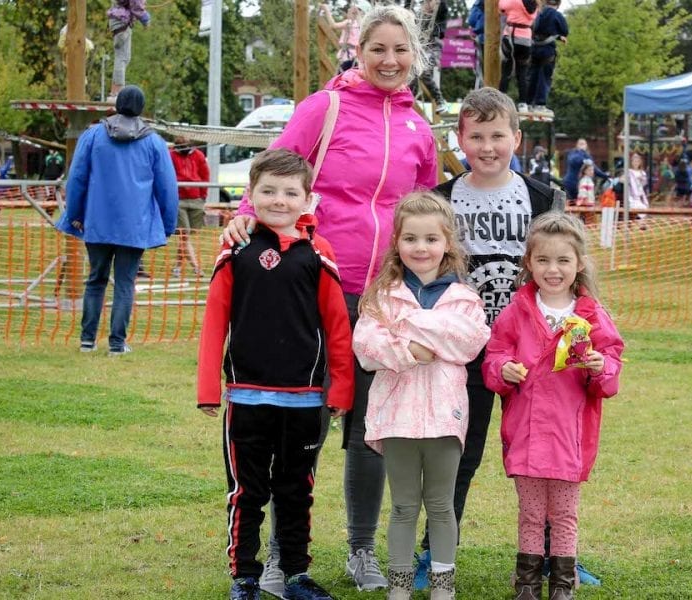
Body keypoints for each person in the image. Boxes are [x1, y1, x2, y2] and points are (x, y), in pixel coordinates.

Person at [221, 5, 437, 593]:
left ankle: (361, 550)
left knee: (371, 429)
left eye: (401, 50)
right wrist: (243, 219)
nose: (390, 61)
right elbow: (276, 171)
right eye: (379, 49)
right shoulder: (326, 107)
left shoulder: (420, 126)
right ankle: (277, 558)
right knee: (299, 427)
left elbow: (425, 215)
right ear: (358, 52)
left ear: (413, 56)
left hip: (386, 299)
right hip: (315, 293)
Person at [413, 86, 569, 590]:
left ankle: (554, 556)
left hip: (533, 350)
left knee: (545, 457)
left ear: (516, 138)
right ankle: (433, 555)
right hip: (465, 351)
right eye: (475, 135)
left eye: (497, 135)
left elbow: (565, 264)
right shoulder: (441, 199)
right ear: (459, 138)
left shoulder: (543, 198)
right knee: (459, 454)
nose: (487, 146)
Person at [197, 149, 354, 600]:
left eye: (290, 192)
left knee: (295, 492)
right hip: (246, 397)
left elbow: (336, 326)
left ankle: (296, 575)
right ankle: (244, 577)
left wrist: (340, 387)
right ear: (251, 194)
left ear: (308, 200)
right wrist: (210, 387)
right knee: (246, 492)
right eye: (268, 190)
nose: (279, 200)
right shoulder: (236, 245)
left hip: (304, 400)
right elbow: (215, 319)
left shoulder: (319, 253)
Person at [352, 192, 490, 600]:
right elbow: (367, 347)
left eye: (431, 239)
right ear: (397, 242)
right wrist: (411, 350)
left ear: (447, 242)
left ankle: (443, 588)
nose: (421, 248)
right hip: (397, 416)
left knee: (442, 506)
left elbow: (468, 341)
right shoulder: (381, 295)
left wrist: (407, 324)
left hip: (445, 418)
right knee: (403, 507)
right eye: (411, 239)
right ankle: (399, 588)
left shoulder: (465, 298)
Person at [482, 212, 624, 600]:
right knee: (529, 514)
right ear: (529, 263)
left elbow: (611, 368)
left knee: (563, 515)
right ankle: (526, 583)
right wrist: (502, 369)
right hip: (526, 433)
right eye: (543, 260)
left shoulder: (592, 317)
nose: (553, 269)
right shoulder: (516, 312)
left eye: (563, 260)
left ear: (579, 264)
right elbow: (493, 356)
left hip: (569, 437)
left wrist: (600, 367)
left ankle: (563, 583)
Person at [56, 85, 178, 355]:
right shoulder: (154, 142)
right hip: (134, 226)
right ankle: (116, 344)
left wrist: (74, 214)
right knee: (125, 283)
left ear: (116, 105)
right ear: (142, 107)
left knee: (95, 279)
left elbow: (76, 178)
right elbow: (168, 188)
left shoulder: (92, 136)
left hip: (97, 222)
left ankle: (87, 341)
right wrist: (168, 225)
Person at [168, 136, 210, 278]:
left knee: (185, 237)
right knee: (184, 235)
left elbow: (205, 175)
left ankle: (177, 267)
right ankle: (196, 267)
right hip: (179, 199)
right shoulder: (170, 155)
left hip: (196, 199)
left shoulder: (198, 155)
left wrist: (203, 195)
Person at [525, 0, 568, 116]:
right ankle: (540, 104)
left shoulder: (539, 13)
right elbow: (565, 30)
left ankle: (528, 103)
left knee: (533, 76)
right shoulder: (556, 15)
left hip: (534, 48)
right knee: (545, 77)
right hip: (547, 50)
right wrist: (559, 34)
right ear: (558, 4)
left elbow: (535, 29)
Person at [498, 0, 539, 112]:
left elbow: (501, 7)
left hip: (511, 36)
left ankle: (500, 102)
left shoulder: (514, 1)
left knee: (506, 70)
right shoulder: (534, 4)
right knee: (522, 72)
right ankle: (523, 104)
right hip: (526, 38)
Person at [107, 0, 151, 99]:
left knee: (122, 58)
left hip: (118, 20)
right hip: (122, 22)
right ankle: (118, 93)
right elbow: (136, 5)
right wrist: (146, 19)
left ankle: (114, 92)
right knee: (122, 58)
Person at [412, 0, 449, 115]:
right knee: (412, 73)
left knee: (424, 71)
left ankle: (440, 100)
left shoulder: (439, 11)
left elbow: (440, 6)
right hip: (421, 46)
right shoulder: (420, 16)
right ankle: (410, 97)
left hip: (433, 45)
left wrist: (435, 3)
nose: (428, 5)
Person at [561, 138, 605, 205]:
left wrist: (605, 176)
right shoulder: (573, 153)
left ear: (586, 145)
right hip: (571, 184)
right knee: (571, 203)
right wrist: (581, 152)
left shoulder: (588, 156)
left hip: (582, 183)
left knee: (583, 202)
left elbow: (594, 169)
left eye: (584, 144)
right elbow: (573, 161)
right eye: (580, 144)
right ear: (577, 145)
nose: (582, 146)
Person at [321, 2, 363, 72]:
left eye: (351, 12)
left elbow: (333, 25)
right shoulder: (361, 25)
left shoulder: (349, 22)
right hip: (357, 56)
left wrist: (326, 10)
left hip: (347, 56)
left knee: (342, 77)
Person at [41, 149, 65, 216]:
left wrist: (60, 178)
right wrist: (39, 179)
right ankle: (48, 213)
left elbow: (63, 169)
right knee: (49, 195)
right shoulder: (47, 157)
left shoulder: (60, 158)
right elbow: (42, 168)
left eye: (51, 149)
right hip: (47, 180)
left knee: (56, 196)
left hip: (56, 181)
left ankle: (61, 213)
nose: (49, 150)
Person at [626, 152, 649, 216]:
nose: (636, 163)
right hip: (632, 195)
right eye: (634, 161)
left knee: (644, 208)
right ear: (631, 162)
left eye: (637, 161)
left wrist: (641, 179)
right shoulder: (629, 172)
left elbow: (644, 184)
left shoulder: (642, 173)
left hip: (640, 195)